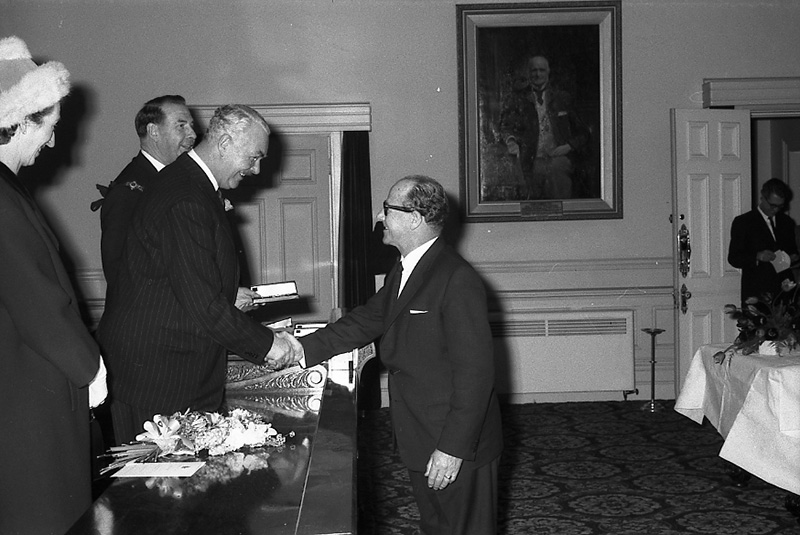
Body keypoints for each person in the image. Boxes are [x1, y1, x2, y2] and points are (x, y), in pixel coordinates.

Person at [296, 175, 503, 534]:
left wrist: (452, 450)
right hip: (421, 433)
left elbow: (476, 374)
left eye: (387, 209)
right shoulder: (407, 267)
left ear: (414, 219)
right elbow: (366, 320)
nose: (380, 217)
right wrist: (299, 349)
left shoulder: (456, 278)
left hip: (456, 444)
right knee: (436, 528)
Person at [96, 104, 300, 445]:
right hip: (158, 373)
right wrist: (269, 345)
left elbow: (181, 278)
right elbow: (202, 302)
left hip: (171, 364)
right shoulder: (185, 195)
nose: (256, 169)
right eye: (253, 157)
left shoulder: (190, 184)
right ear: (224, 143)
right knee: (161, 477)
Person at [0, 35, 108, 535]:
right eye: (49, 127)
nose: (51, 142)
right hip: (27, 403)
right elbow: (39, 303)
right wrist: (90, 368)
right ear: (21, 121)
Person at [95, 95, 197, 294]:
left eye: (191, 126)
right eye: (181, 126)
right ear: (153, 131)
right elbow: (120, 274)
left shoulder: (179, 180)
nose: (192, 134)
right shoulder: (126, 193)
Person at [497, 54, 589, 200]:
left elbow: (584, 133)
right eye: (534, 70)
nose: (538, 74)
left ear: (548, 72)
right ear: (528, 73)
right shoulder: (518, 99)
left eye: (542, 70)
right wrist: (511, 141)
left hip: (559, 159)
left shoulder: (562, 98)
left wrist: (569, 146)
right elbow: (505, 126)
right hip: (530, 159)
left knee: (557, 173)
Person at [728, 178, 800, 303]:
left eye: (780, 206)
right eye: (772, 205)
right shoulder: (744, 222)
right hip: (757, 292)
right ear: (762, 197)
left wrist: (793, 258)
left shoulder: (787, 222)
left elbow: (792, 251)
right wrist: (757, 256)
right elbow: (734, 258)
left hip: (785, 291)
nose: (775, 210)